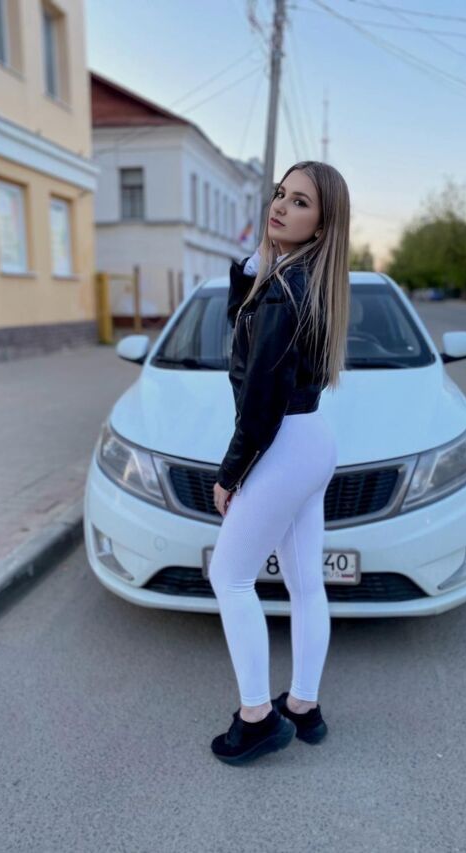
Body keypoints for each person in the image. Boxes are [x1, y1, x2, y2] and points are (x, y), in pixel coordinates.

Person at [208, 160, 351, 765]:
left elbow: (261, 399)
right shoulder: (304, 281)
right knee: (304, 583)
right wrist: (249, 273)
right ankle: (303, 706)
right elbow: (251, 340)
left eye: (300, 202)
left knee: (230, 577)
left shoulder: (283, 292)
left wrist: (230, 473)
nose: (280, 207)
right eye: (280, 194)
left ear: (322, 225)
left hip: (283, 444)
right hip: (312, 439)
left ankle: (257, 719)